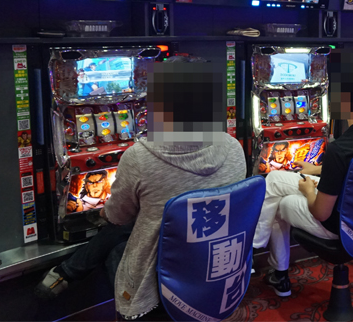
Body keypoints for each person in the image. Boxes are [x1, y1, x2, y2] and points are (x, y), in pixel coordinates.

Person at [35, 56, 246, 321]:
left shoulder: (140, 157)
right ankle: (67, 272)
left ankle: (80, 280)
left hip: (167, 263)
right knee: (141, 219)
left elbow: (117, 217)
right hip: (215, 255)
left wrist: (104, 213)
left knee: (119, 238)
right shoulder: (234, 147)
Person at [252, 49, 353, 298]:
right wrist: (320, 169)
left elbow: (320, 212)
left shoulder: (339, 149)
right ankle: (263, 254)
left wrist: (309, 190)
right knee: (274, 180)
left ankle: (266, 260)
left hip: (341, 224)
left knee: (279, 202)